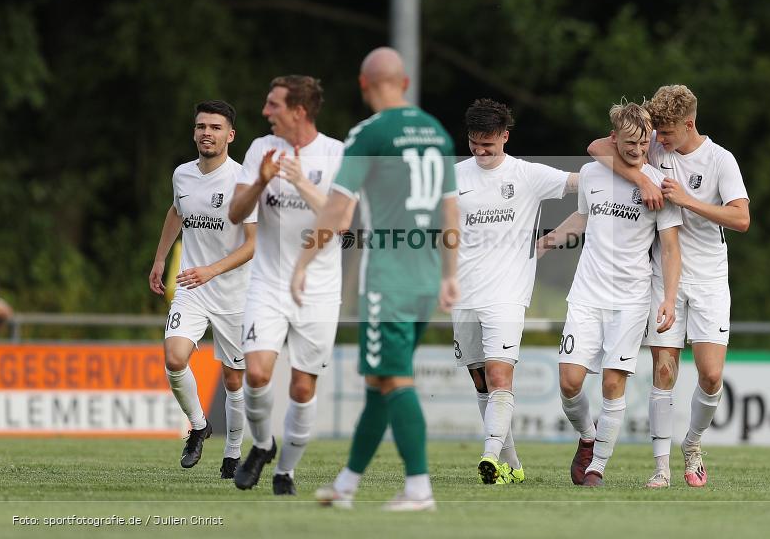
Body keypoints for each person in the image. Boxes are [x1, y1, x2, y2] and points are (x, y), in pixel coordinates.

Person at [291, 47, 459, 512]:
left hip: (388, 278)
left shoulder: (369, 133)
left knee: (395, 379)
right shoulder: (437, 132)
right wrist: (450, 274)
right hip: (425, 278)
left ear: (364, 86)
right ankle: (346, 484)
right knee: (379, 382)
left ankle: (419, 489)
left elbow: (337, 209)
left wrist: (302, 263)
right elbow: (450, 209)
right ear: (404, 83)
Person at [587, 85, 749, 488]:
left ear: (689, 124)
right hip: (663, 276)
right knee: (663, 370)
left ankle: (692, 445)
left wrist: (688, 200)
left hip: (710, 278)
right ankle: (661, 468)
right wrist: (639, 180)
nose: (658, 137)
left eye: (666, 130)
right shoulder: (657, 147)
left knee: (711, 377)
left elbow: (742, 219)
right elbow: (596, 147)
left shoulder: (720, 160)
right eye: (655, 129)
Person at [539, 100, 682, 487]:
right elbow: (584, 217)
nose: (637, 152)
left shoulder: (660, 183)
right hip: (587, 295)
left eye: (643, 144)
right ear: (614, 138)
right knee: (569, 382)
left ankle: (597, 467)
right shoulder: (592, 173)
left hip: (632, 300)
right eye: (629, 144)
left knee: (611, 383)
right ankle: (588, 437)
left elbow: (670, 248)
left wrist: (668, 299)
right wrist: (546, 242)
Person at [227, 76, 344, 496]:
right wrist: (260, 181)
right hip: (268, 283)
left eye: (273, 105)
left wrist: (299, 181)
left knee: (301, 386)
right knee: (256, 373)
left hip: (320, 289)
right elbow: (237, 215)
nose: (265, 112)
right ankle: (262, 446)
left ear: (298, 111)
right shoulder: (261, 147)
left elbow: (342, 221)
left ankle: (285, 473)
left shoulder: (335, 154)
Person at [453, 98, 577, 484]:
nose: (481, 151)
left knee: (499, 376)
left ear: (505, 137)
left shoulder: (528, 174)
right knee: (481, 381)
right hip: (463, 294)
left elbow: (582, 182)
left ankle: (489, 456)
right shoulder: (453, 177)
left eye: (488, 144)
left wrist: (627, 161)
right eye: (474, 143)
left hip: (507, 294)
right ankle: (513, 465)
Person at [149, 100, 256, 476]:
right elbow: (176, 212)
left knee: (233, 379)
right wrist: (160, 258)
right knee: (175, 357)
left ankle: (231, 454)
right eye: (200, 127)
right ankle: (198, 425)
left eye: (214, 127)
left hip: (235, 294)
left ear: (230, 135)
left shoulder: (244, 181)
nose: (206, 133)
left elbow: (254, 244)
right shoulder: (182, 174)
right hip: (193, 287)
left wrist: (213, 270)